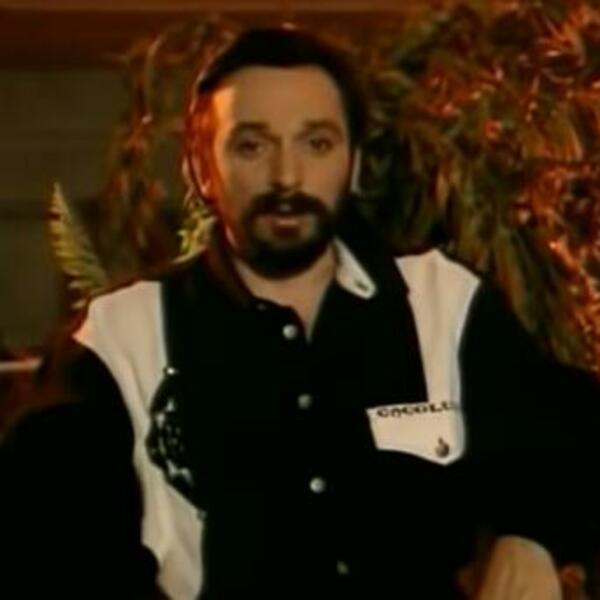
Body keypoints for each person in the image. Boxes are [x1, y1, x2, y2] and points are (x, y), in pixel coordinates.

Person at [1, 27, 598, 600]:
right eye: (252, 145)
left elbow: (569, 434)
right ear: (200, 170)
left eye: (317, 143)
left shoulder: (441, 303)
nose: (287, 177)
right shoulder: (119, 339)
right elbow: (45, 547)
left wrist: (533, 537)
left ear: (354, 164)